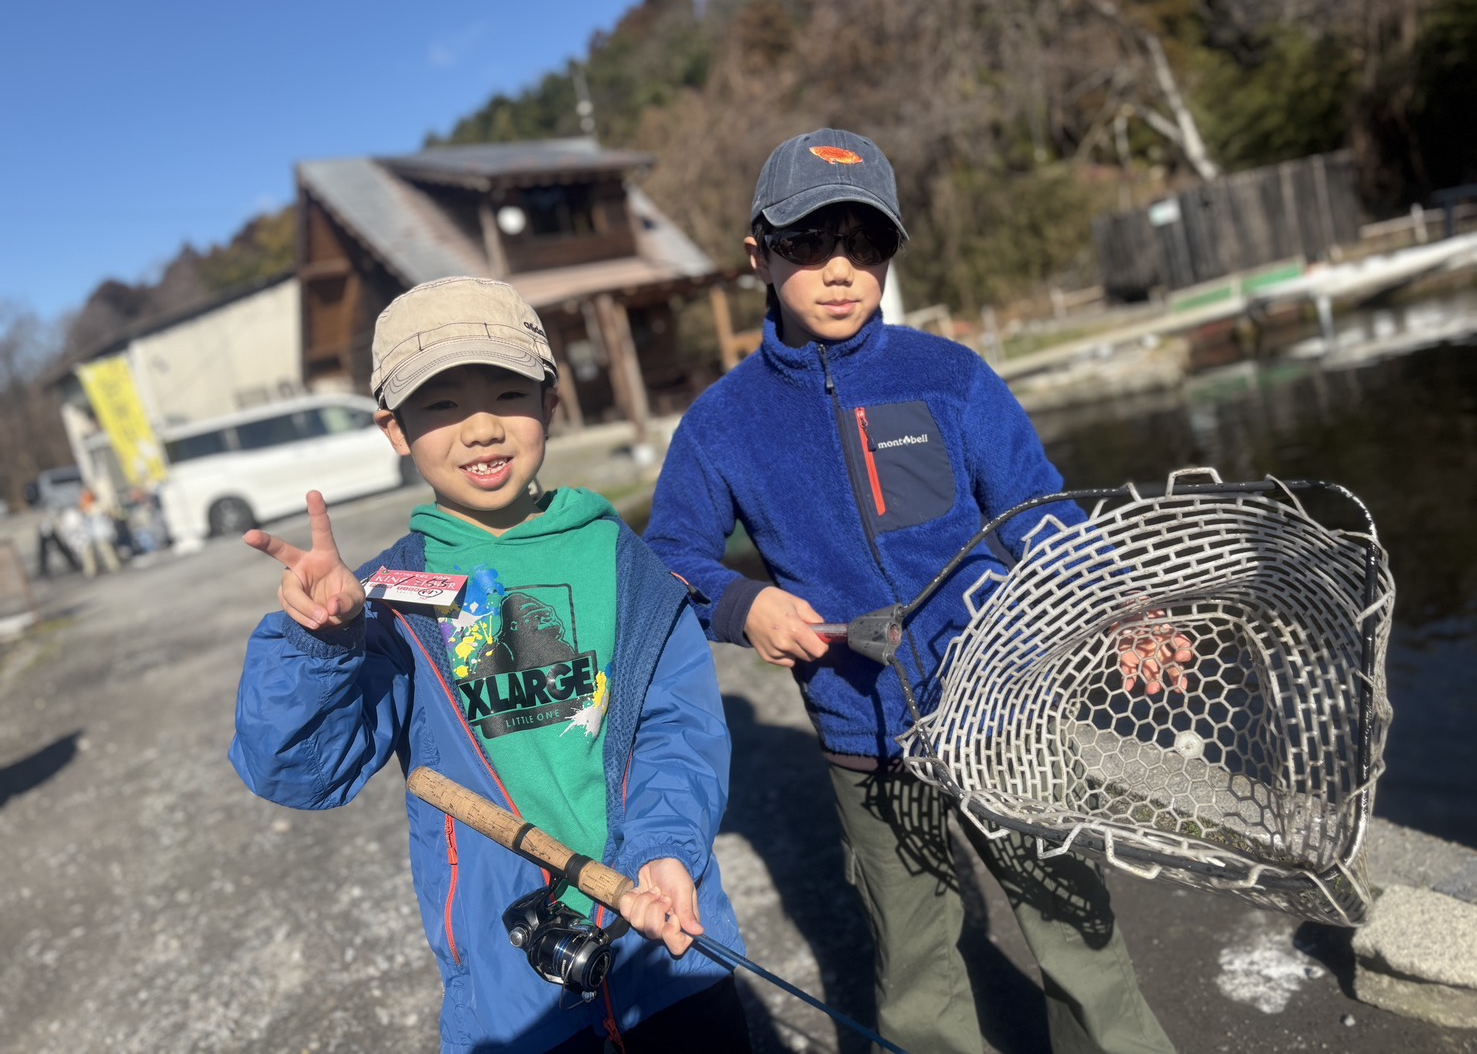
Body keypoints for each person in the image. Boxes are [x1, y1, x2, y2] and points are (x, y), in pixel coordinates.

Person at [643, 129, 1179, 1053]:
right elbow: (669, 559)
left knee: (1078, 933)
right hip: (865, 740)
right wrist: (741, 604)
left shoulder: (950, 376)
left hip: (1007, 711)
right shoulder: (720, 424)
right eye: (809, 241)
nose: (839, 267)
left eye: (866, 242)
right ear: (758, 256)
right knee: (916, 969)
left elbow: (1038, 512)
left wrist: (1118, 604)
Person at [230, 277, 752, 1053]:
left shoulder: (625, 563)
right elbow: (298, 772)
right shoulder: (386, 601)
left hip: (666, 941)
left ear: (551, 403)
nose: (480, 429)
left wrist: (666, 850)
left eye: (508, 395)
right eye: (441, 405)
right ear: (395, 430)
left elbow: (679, 728)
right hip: (514, 988)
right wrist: (324, 643)